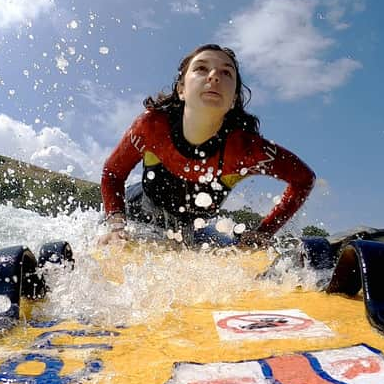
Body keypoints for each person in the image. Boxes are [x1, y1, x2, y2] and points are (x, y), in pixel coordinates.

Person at [99, 44, 315, 247]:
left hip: (192, 230)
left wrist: (264, 232)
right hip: (134, 213)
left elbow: (304, 179)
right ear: (181, 89)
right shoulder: (152, 127)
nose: (214, 76)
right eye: (202, 68)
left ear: (233, 100)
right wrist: (116, 225)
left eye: (226, 73)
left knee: (231, 250)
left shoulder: (246, 151)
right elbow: (112, 173)